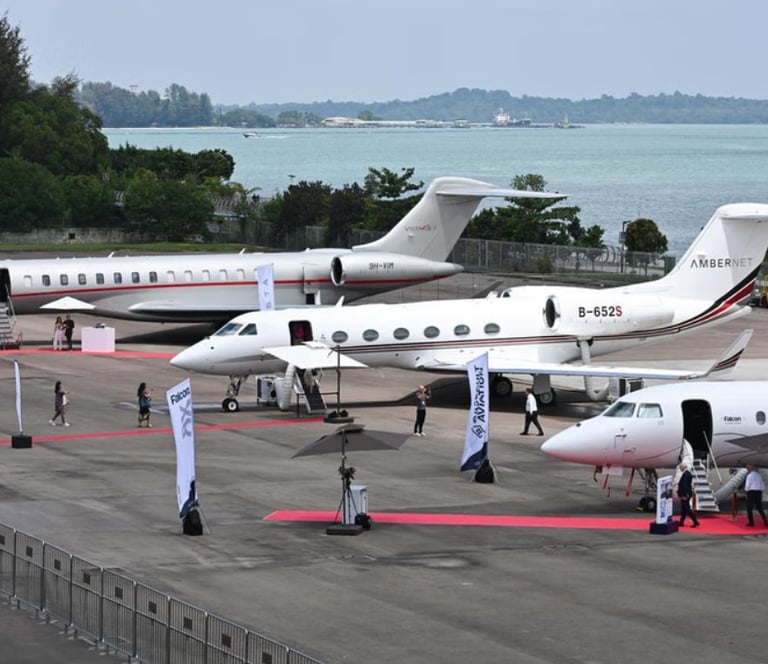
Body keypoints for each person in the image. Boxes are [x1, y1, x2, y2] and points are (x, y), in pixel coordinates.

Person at [676, 462, 700, 527]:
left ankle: (695, 521)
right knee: (684, 508)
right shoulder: (688, 473)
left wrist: (684, 494)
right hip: (687, 493)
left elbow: (685, 485)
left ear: (683, 467)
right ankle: (681, 522)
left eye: (680, 467)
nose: (680, 468)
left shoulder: (686, 474)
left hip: (685, 494)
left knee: (687, 508)